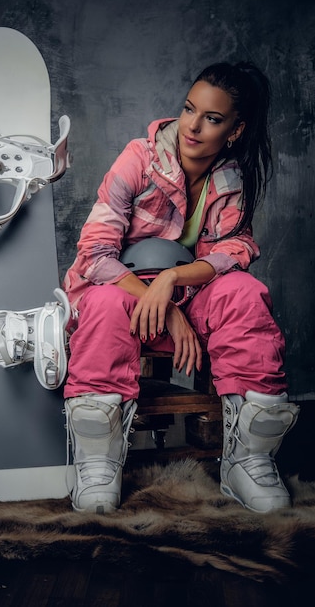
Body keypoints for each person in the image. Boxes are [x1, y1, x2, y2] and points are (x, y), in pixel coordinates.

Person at [62, 61, 300, 515]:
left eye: (212, 118)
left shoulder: (231, 177)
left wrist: (171, 281)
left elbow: (236, 247)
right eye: (189, 109)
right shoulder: (140, 157)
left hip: (186, 297)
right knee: (108, 302)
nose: (192, 126)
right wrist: (163, 303)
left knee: (244, 292)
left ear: (234, 129)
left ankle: (247, 461)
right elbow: (94, 255)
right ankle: (96, 462)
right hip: (118, 294)